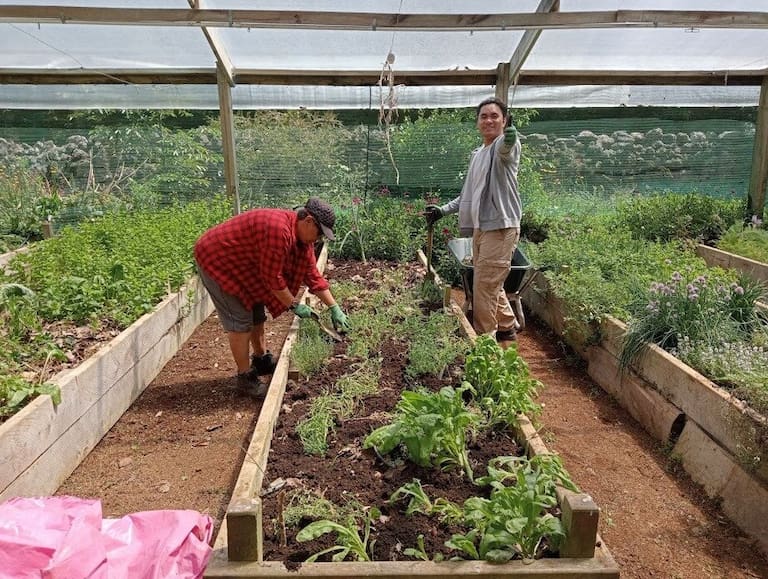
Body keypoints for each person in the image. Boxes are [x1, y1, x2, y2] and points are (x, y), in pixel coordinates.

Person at [194, 197, 351, 397]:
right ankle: (245, 378)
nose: (318, 239)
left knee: (257, 312)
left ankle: (261, 360)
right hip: (219, 261)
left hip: (245, 263)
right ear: (308, 221)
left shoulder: (303, 241)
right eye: (319, 233)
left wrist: (334, 307)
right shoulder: (278, 231)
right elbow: (273, 279)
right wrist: (293, 305)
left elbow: (312, 274)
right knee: (240, 321)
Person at [425, 97, 521, 348]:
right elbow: (469, 193)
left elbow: (507, 150)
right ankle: (508, 325)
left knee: (484, 286)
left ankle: (485, 344)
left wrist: (510, 139)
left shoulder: (502, 146)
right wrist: (442, 210)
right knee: (488, 280)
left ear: (504, 121)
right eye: (483, 116)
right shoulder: (478, 154)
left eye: (495, 116)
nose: (489, 120)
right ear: (477, 122)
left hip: (500, 227)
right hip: (481, 227)